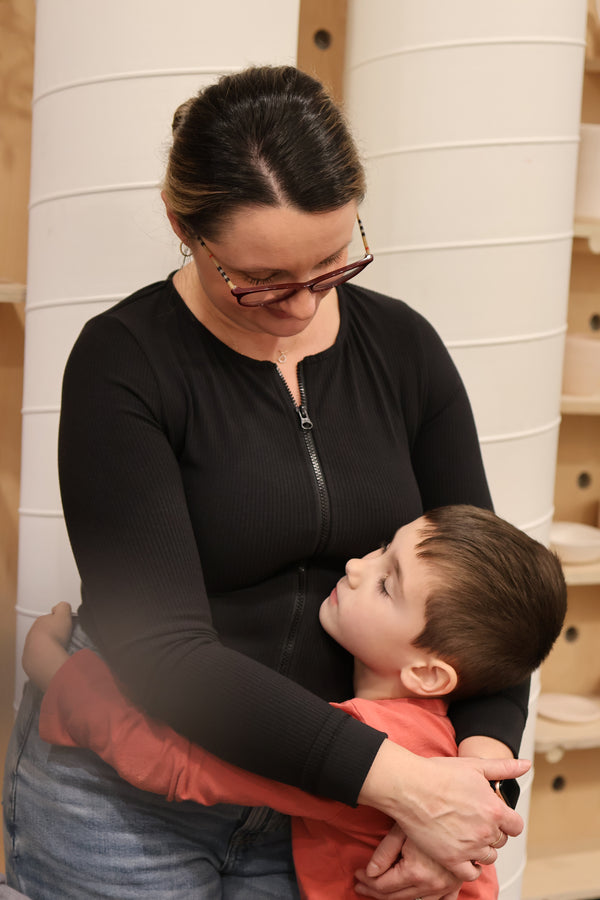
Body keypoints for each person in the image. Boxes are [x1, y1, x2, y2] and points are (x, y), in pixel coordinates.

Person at [3, 65, 531, 900]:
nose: (298, 307)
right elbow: (167, 656)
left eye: (329, 268)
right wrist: (402, 785)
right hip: (131, 805)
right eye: (258, 281)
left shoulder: (403, 349)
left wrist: (471, 795)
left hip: (338, 815)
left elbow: (487, 599)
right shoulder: (126, 362)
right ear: (184, 227)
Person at [25, 505, 566, 900]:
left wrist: (58, 670)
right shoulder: (437, 733)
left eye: (386, 584)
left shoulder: (370, 746)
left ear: (427, 673)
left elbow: (172, 762)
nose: (356, 567)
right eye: (382, 550)